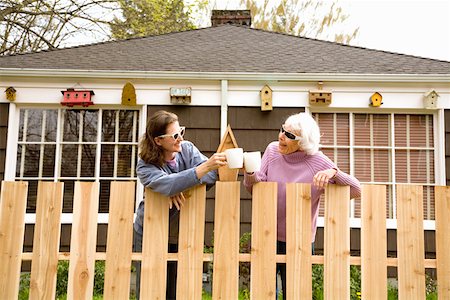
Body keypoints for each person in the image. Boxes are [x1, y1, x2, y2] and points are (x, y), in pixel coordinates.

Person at [243, 112, 361, 300]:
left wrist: (333, 172)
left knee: (296, 294)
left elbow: (356, 190)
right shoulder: (273, 150)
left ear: (303, 143)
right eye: (283, 130)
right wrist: (250, 173)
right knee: (263, 293)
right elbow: (255, 186)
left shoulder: (318, 161)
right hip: (266, 235)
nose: (281, 136)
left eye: (289, 136)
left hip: (300, 240)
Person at [134, 110, 226, 300]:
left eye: (181, 131)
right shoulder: (145, 165)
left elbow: (210, 177)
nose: (180, 138)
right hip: (150, 231)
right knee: (149, 290)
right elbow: (170, 183)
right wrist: (201, 169)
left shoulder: (187, 149)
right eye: (175, 135)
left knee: (175, 291)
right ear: (158, 141)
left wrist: (176, 186)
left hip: (180, 233)